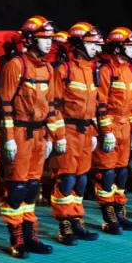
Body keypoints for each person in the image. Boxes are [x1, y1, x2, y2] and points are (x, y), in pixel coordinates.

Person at [0, 15, 61, 257]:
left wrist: (54, 137)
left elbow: (51, 105)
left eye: (50, 38)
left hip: (39, 134)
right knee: (17, 187)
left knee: (33, 187)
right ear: (31, 40)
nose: (49, 42)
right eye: (44, 38)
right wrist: (8, 138)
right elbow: (5, 105)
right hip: (20, 133)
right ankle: (17, 238)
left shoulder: (48, 68)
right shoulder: (16, 65)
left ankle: (30, 234)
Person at [49, 22, 103, 245]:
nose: (96, 48)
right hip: (69, 130)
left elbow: (94, 105)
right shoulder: (64, 70)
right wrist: (59, 135)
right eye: (91, 43)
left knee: (81, 179)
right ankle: (64, 225)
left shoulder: (91, 70)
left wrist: (95, 132)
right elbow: (53, 105)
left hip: (85, 131)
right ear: (79, 44)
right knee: (67, 178)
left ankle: (76, 219)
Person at [91, 27, 132, 234]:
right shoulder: (106, 70)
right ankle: (108, 216)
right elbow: (100, 103)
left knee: (122, 172)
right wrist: (107, 131)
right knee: (107, 173)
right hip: (111, 126)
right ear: (119, 47)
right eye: (130, 47)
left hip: (125, 127)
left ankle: (120, 211)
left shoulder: (129, 71)